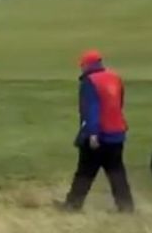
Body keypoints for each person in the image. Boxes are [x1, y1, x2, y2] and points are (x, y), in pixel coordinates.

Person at [57, 50, 134, 213]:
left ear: (86, 65)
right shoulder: (115, 77)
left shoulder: (89, 81)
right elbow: (119, 104)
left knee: (85, 171)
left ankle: (72, 205)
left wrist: (92, 133)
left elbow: (91, 108)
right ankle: (126, 206)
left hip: (99, 135)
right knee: (116, 171)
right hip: (117, 133)